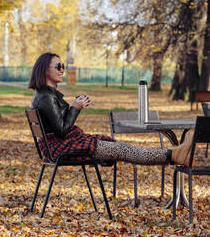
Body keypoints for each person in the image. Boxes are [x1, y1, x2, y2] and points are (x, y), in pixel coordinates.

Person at [28, 52, 193, 166]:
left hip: (62, 144)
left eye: (62, 66)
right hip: (60, 148)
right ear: (44, 69)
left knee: (116, 146)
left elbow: (59, 125)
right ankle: (173, 155)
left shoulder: (46, 95)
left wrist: (76, 105)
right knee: (121, 149)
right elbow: (62, 130)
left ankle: (173, 154)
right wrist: (76, 108)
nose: (62, 70)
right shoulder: (46, 97)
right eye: (58, 66)